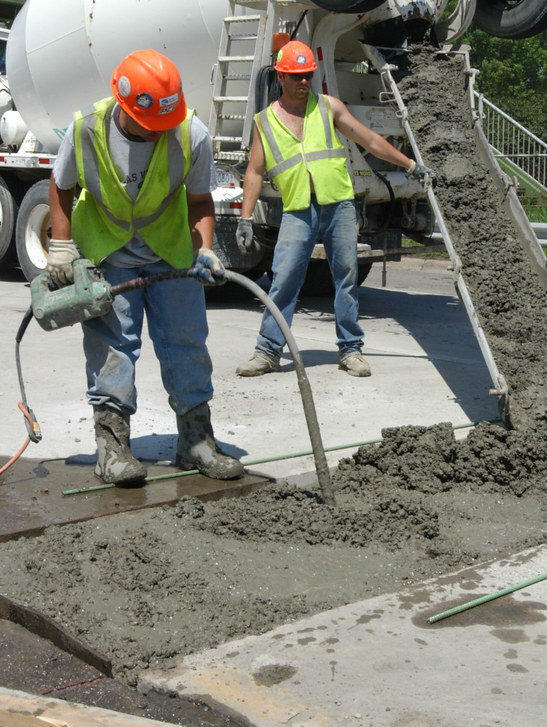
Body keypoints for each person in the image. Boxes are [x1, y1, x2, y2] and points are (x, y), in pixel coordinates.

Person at [46, 49, 244, 486]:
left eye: (163, 123)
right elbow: (60, 187)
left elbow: (199, 201)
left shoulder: (190, 132)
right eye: (148, 123)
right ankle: (112, 450)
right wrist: (60, 246)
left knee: (186, 343)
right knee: (113, 349)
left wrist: (204, 249)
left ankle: (196, 441)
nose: (158, 131)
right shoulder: (85, 130)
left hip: (171, 253)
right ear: (123, 102)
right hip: (110, 252)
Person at [235, 40, 434, 379]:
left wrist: (409, 164)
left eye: (308, 75)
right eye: (296, 76)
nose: (303, 82)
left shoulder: (328, 107)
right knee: (283, 279)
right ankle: (268, 352)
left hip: (338, 203)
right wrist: (244, 218)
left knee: (346, 278)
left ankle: (351, 350)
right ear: (280, 76)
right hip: (298, 208)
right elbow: (254, 171)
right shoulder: (264, 121)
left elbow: (369, 139)